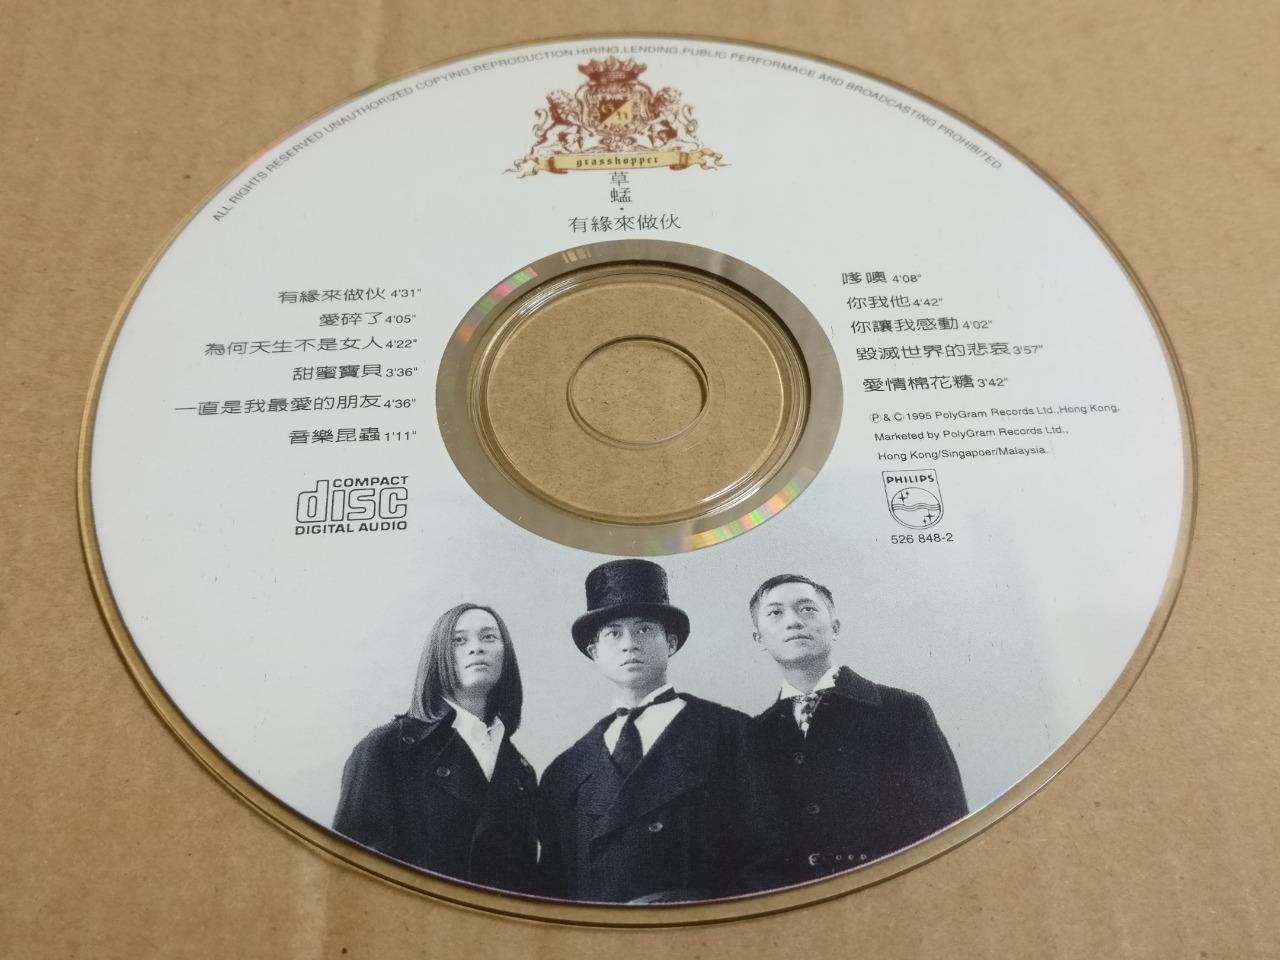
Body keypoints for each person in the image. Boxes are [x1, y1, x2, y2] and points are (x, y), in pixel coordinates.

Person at [538, 559, 778, 904]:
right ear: (594, 652)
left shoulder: (732, 734)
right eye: (613, 633)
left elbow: (767, 863)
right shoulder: (565, 771)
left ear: (671, 642)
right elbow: (554, 896)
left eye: (645, 629)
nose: (629, 644)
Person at [748, 573, 968, 883]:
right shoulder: (751, 737)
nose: (794, 621)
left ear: (835, 628)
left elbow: (948, 824)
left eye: (807, 609)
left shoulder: (902, 710)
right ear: (759, 639)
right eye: (775, 613)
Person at [333, 603, 538, 893]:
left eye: (489, 637)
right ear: (438, 656)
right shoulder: (385, 750)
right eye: (459, 640)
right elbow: (351, 879)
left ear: (506, 654)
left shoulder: (521, 772)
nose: (476, 648)